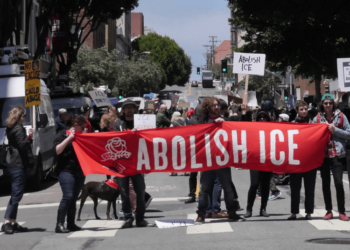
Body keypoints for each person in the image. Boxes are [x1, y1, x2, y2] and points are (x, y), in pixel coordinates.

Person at [195, 97, 244, 223]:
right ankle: (201, 213)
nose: (217, 107)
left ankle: (232, 212)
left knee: (227, 188)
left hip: (222, 160)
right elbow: (194, 135)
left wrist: (224, 124)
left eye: (218, 105)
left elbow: (239, 129)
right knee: (204, 189)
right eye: (214, 105)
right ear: (208, 107)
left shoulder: (225, 121)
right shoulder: (201, 122)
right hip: (207, 160)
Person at [114, 99, 155, 228]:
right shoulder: (118, 123)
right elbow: (116, 138)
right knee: (124, 192)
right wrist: (130, 134)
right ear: (123, 110)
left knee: (140, 191)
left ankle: (140, 218)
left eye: (132, 108)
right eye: (127, 108)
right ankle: (128, 217)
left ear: (135, 110)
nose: (129, 110)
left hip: (138, 162)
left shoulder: (142, 121)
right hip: (122, 164)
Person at [313, 94, 350, 221]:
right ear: (322, 104)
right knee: (325, 184)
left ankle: (342, 211)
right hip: (323, 156)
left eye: (330, 103)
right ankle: (328, 210)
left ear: (333, 104)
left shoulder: (341, 116)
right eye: (325, 103)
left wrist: (336, 130)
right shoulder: (317, 118)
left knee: (339, 183)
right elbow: (310, 135)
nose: (328, 105)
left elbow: (349, 134)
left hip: (337, 155)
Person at [1, 107, 34, 234]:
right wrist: (29, 137)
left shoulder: (10, 127)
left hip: (13, 163)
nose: (24, 119)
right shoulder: (19, 128)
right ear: (20, 117)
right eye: (24, 117)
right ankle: (7, 222)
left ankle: (13, 221)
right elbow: (22, 145)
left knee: (16, 194)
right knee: (16, 194)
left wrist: (27, 138)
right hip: (18, 164)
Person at [54, 115, 87, 233]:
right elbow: (57, 150)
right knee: (68, 196)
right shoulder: (62, 134)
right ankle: (59, 224)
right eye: (82, 128)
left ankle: (71, 223)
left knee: (73, 198)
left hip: (79, 171)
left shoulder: (82, 136)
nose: (83, 130)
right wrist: (69, 138)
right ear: (75, 126)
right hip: (66, 170)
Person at [287, 101, 317, 220]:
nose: (304, 111)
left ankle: (309, 212)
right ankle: (294, 212)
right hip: (295, 161)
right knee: (295, 188)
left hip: (310, 161)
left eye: (305, 109)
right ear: (297, 111)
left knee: (309, 188)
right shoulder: (292, 124)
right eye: (301, 109)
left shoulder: (314, 123)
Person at [244, 109, 273, 218]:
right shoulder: (252, 129)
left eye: (264, 117)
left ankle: (263, 208)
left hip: (267, 160)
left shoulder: (272, 129)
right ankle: (249, 209)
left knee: (265, 186)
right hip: (255, 160)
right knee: (254, 184)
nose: (262, 119)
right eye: (260, 117)